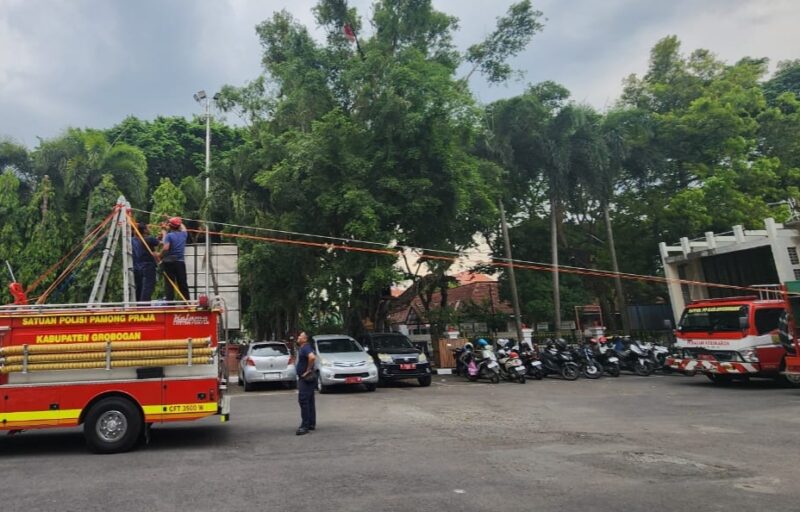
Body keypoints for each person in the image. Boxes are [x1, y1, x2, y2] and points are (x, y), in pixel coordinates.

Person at [158, 216, 190, 301]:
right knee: (183, 283)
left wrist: (159, 255)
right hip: (180, 262)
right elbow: (183, 227)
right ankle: (187, 303)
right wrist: (173, 219)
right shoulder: (184, 234)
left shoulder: (169, 236)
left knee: (170, 284)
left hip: (169, 263)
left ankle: (170, 303)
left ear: (171, 226)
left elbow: (165, 248)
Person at [294, 331, 317, 435]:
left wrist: (307, 370)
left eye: (300, 336)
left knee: (303, 400)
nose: (298, 337)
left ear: (305, 339)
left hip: (306, 378)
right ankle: (311, 423)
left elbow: (312, 357)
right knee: (310, 400)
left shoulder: (306, 347)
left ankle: (305, 426)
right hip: (307, 378)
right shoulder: (303, 348)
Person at [132, 222, 159, 302]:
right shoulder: (148, 239)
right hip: (148, 265)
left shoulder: (138, 240)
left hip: (140, 266)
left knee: (142, 287)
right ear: (144, 230)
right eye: (147, 228)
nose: (149, 229)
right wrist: (164, 232)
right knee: (148, 286)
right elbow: (161, 243)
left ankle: (141, 304)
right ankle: (144, 305)